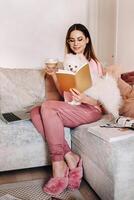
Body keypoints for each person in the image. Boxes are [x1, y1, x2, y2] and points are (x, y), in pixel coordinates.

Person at [30, 23, 103, 195]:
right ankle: (70, 156)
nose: (76, 44)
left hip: (90, 109)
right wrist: (54, 74)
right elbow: (65, 94)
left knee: (46, 106)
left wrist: (85, 98)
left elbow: (100, 100)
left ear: (87, 40)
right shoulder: (69, 62)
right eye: (72, 40)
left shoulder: (94, 64)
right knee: (35, 111)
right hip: (73, 107)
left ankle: (58, 164)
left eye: (79, 39)